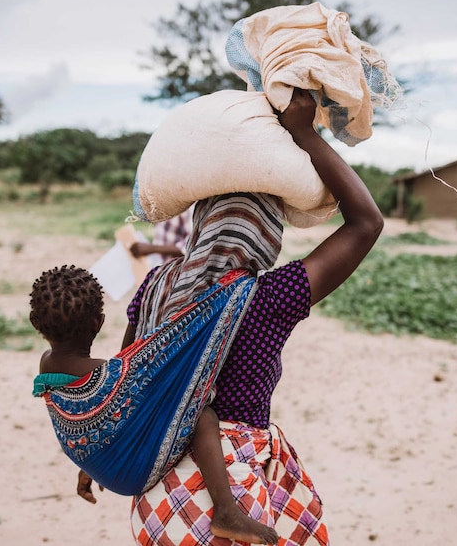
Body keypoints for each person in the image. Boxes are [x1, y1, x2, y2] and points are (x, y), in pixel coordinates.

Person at [77, 87, 384, 545]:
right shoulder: (267, 298)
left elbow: (126, 387)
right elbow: (366, 222)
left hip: (156, 492)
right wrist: (304, 133)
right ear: (267, 232)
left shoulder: (155, 287)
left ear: (201, 223)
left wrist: (93, 458)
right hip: (232, 496)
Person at [30, 264, 278, 544]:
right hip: (131, 474)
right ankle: (226, 512)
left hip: (91, 459)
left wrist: (91, 465)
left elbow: (89, 415)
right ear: (98, 322)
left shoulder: (46, 363)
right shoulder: (107, 375)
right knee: (204, 416)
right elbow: (149, 392)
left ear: (34, 321)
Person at [129, 206, 194, 262]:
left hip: (176, 269)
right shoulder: (161, 204)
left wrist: (152, 249)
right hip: (159, 264)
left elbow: (189, 246)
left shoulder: (187, 210)